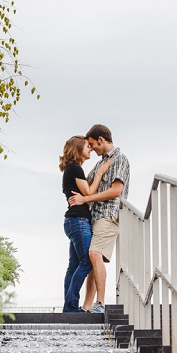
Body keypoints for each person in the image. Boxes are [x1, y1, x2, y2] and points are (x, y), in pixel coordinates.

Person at [69, 124, 130, 314]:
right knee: (92, 259)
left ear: (101, 140)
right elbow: (86, 186)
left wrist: (86, 198)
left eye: (92, 144)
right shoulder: (99, 164)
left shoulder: (119, 159)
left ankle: (100, 303)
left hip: (109, 214)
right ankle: (87, 306)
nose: (92, 148)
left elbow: (116, 191)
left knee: (95, 255)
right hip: (93, 217)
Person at [60, 136, 111, 312]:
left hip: (73, 222)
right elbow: (89, 192)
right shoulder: (75, 168)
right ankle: (71, 307)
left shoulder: (71, 170)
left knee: (74, 265)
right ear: (77, 149)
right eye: (86, 146)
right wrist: (100, 173)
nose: (90, 148)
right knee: (86, 263)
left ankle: (69, 307)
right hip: (78, 221)